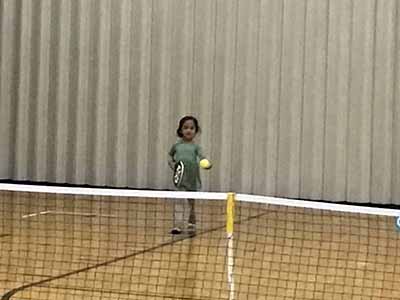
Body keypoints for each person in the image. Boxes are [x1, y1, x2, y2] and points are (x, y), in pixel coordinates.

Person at [168, 116, 211, 234]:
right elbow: (170, 157)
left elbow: (202, 158)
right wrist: (173, 166)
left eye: (192, 128)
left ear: (196, 131)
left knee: (191, 203)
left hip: (192, 179)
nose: (188, 130)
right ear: (180, 130)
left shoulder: (196, 147)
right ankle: (178, 225)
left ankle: (191, 223)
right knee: (179, 202)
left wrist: (207, 164)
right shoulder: (176, 146)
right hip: (180, 179)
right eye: (185, 127)